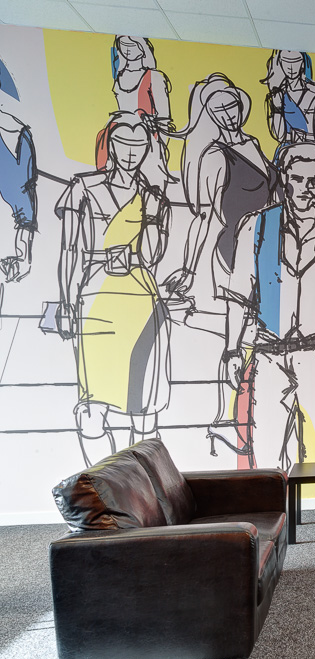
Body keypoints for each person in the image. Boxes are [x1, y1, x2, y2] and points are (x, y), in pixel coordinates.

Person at [220, 142, 315, 471]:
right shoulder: (256, 226)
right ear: (284, 179)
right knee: (267, 451)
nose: (305, 188)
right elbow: (239, 295)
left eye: (314, 180)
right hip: (269, 354)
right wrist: (233, 349)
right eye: (297, 178)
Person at [55, 111, 171, 466]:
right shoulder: (82, 187)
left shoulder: (152, 196)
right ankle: (106, 486)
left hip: (142, 302)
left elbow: (152, 255)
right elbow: (69, 250)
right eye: (123, 142)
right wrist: (66, 302)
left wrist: (152, 215)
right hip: (95, 299)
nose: (131, 151)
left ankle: (144, 487)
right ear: (110, 144)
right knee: (91, 408)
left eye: (140, 144)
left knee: (145, 409)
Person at [163, 73, 279, 314]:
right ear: (211, 115)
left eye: (231, 106)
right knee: (247, 315)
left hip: (268, 239)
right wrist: (188, 270)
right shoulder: (215, 156)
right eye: (219, 110)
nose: (228, 115)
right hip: (237, 246)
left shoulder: (253, 143)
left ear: (240, 105)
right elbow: (204, 217)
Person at [95, 36, 173, 194]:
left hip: (146, 131)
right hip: (120, 128)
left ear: (143, 48)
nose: (127, 49)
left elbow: (164, 116)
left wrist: (159, 144)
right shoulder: (120, 75)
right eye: (123, 45)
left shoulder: (154, 76)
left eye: (132, 45)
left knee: (150, 182)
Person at [261, 50, 315, 162]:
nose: (291, 67)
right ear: (280, 63)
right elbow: (279, 135)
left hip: (314, 151)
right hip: (287, 153)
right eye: (286, 61)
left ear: (302, 63)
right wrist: (277, 106)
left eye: (296, 61)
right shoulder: (276, 96)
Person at [0, 99, 36, 284]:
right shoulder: (19, 131)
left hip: (19, 226)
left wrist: (21, 256)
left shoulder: (19, 132)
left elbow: (24, 198)